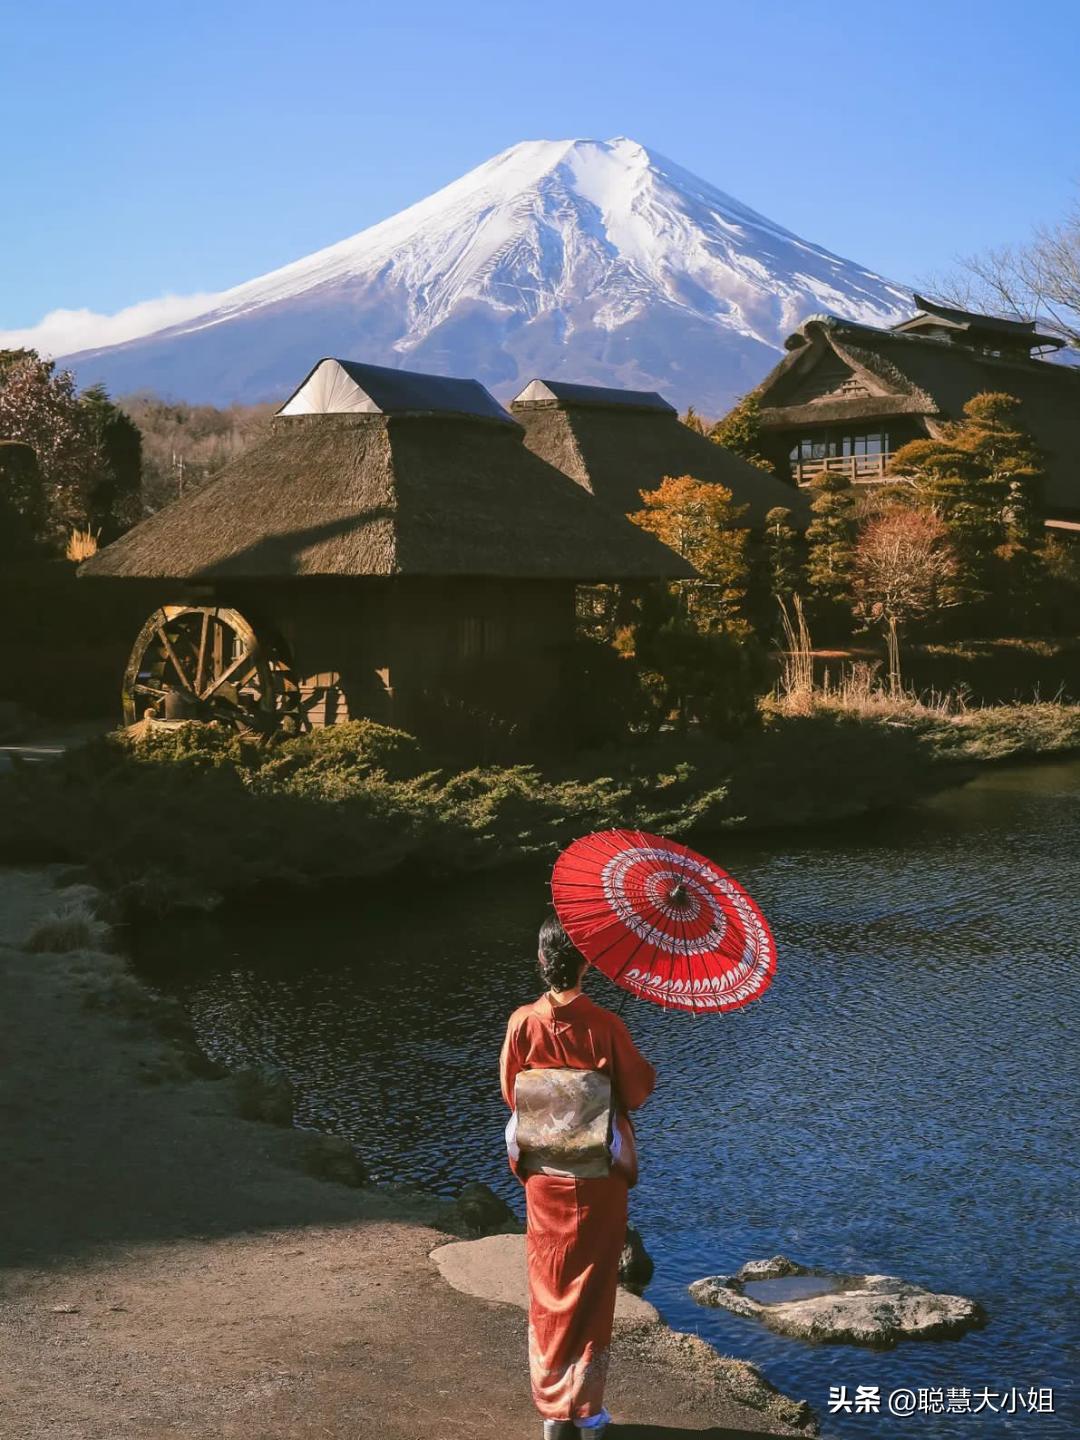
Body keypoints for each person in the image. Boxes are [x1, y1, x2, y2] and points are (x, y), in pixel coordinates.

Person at [499, 914, 656, 1440]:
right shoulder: (606, 1024)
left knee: (549, 1283)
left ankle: (552, 1411)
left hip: (544, 1174)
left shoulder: (523, 1021)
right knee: (592, 1287)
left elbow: (510, 1090)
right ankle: (586, 1412)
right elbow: (634, 1091)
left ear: (542, 961)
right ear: (585, 962)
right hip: (597, 1175)